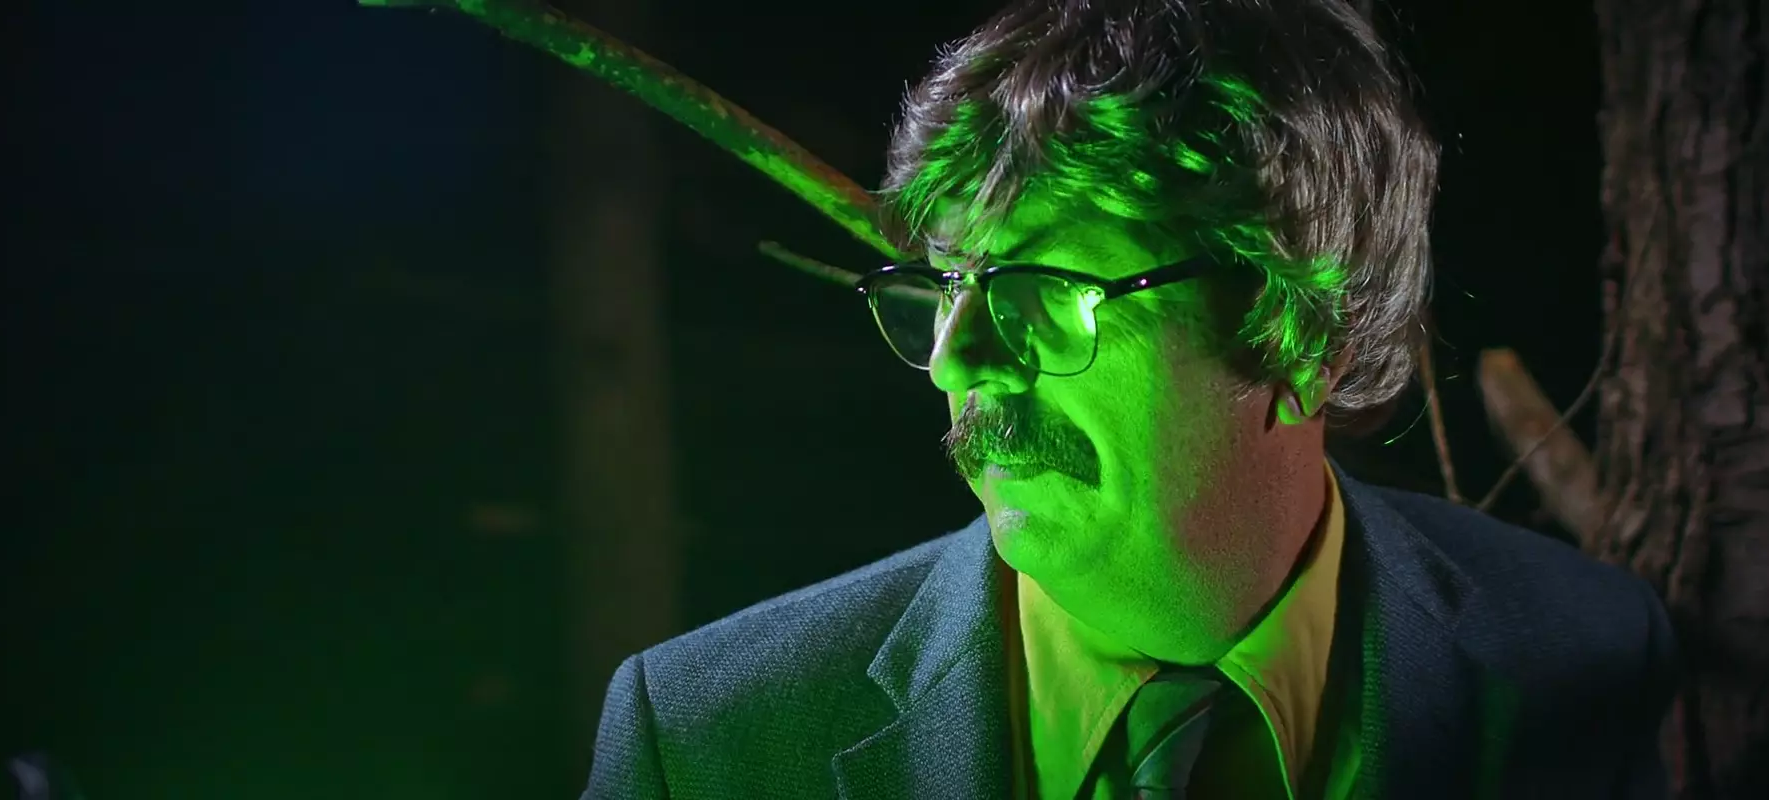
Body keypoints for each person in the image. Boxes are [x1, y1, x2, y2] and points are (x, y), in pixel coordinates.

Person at [584, 0, 1677, 797]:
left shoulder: (1584, 659)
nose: (958, 362)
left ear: (1300, 333)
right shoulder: (711, 741)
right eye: (952, 284)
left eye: (1048, 294)